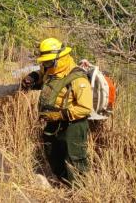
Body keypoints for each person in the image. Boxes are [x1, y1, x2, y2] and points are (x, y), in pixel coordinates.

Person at [21, 37, 93, 184]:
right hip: (53, 120)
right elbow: (41, 73)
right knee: (52, 149)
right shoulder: (51, 68)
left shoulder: (78, 78)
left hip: (74, 123)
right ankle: (63, 182)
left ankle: (79, 190)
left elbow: (85, 108)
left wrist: (59, 115)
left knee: (74, 157)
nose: (45, 65)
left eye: (48, 61)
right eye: (44, 61)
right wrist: (31, 77)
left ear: (59, 58)